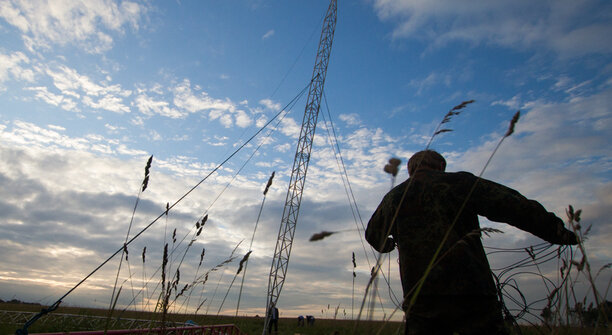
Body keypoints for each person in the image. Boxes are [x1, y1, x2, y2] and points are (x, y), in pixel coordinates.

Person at [365, 150, 578, 335]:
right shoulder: (459, 183)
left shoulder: (395, 196)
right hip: (473, 293)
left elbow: (373, 234)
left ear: (410, 170)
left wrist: (388, 245)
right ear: (440, 166)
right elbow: (512, 205)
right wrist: (559, 233)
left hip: (421, 298)